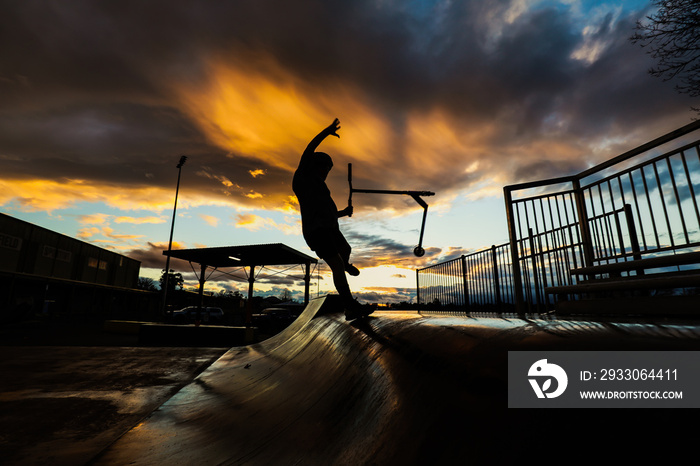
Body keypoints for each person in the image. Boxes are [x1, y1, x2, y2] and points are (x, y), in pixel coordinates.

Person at [293, 118, 368, 320]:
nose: (326, 173)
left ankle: (345, 264)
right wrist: (326, 132)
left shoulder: (321, 187)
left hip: (330, 228)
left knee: (346, 250)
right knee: (336, 265)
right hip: (316, 231)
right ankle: (350, 306)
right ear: (315, 166)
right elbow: (308, 149)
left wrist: (343, 212)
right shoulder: (302, 179)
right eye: (325, 169)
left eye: (328, 170)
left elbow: (328, 212)